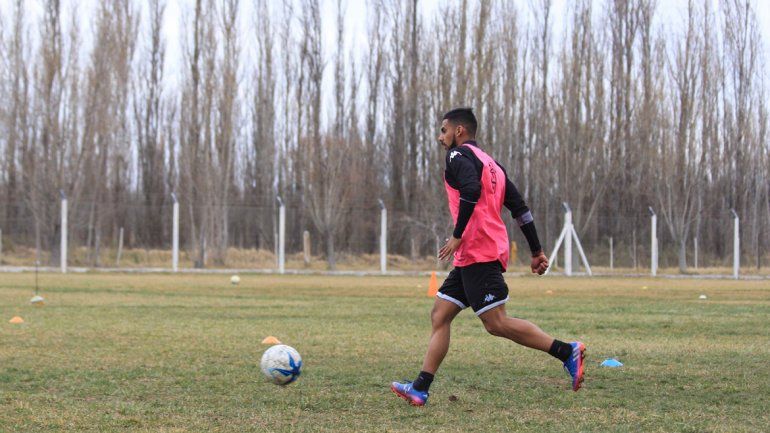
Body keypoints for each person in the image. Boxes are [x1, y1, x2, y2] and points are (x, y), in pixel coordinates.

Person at [390, 108, 585, 407]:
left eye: (443, 131)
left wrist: (457, 234)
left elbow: (471, 189)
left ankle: (565, 351)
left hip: (478, 250)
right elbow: (521, 210)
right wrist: (536, 251)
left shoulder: (458, 157)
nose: (440, 137)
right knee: (440, 314)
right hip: (473, 254)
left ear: (459, 132)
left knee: (496, 323)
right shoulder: (493, 165)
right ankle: (419, 389)